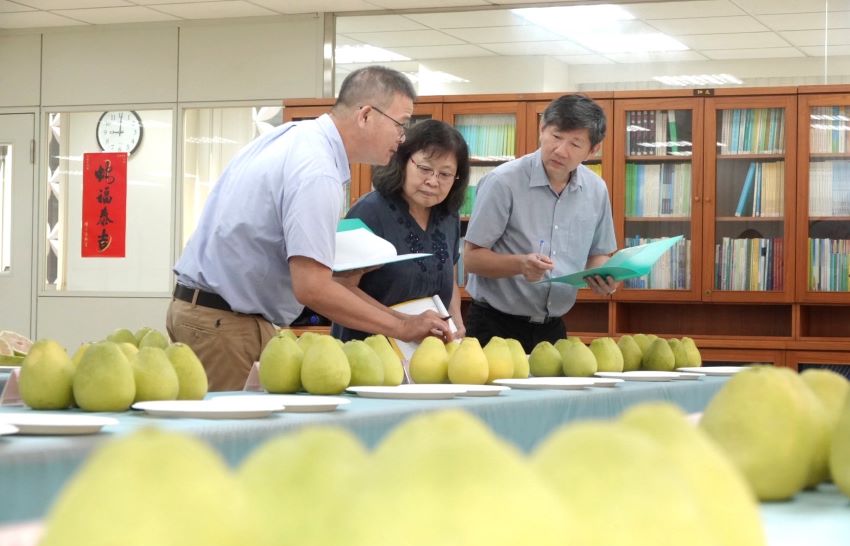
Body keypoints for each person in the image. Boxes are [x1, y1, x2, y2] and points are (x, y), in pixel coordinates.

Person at [167, 66, 452, 391]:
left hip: (208, 314)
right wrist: (400, 329)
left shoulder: (293, 137)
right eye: (400, 125)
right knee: (237, 440)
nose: (402, 139)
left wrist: (404, 322)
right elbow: (313, 287)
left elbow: (323, 280)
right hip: (225, 324)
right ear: (366, 116)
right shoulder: (318, 171)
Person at [463, 93, 619, 353]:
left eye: (575, 143)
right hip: (494, 326)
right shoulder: (503, 182)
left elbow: (599, 254)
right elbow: (471, 259)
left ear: (593, 150)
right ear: (542, 129)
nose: (560, 150)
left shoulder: (596, 189)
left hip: (553, 329)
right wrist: (520, 265)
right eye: (556, 137)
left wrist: (606, 277)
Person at [332, 119, 470, 342]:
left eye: (445, 175)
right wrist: (402, 323)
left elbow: (449, 274)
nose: (433, 181)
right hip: (369, 348)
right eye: (425, 169)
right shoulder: (368, 212)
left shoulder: (448, 216)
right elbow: (341, 288)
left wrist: (456, 319)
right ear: (403, 161)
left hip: (427, 353)